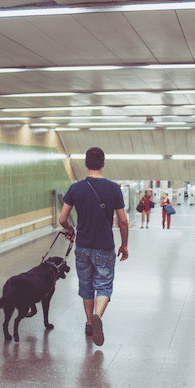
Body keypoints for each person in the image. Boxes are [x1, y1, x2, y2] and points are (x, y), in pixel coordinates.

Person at [59, 147, 129, 346]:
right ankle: (98, 315)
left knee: (86, 284)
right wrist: (124, 245)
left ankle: (89, 323)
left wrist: (71, 229)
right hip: (105, 246)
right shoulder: (113, 188)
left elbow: (62, 218)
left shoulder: (76, 188)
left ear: (86, 164)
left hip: (82, 246)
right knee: (104, 284)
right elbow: (123, 221)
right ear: (104, 164)